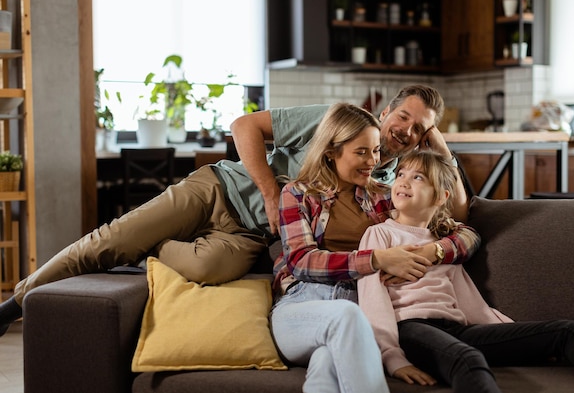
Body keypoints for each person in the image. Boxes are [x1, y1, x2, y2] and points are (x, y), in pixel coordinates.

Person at [0, 84, 461, 337]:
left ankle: (151, 248)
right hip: (222, 189)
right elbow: (244, 126)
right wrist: (266, 191)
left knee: (210, 266)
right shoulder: (334, 121)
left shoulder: (393, 178)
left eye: (418, 129)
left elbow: (457, 203)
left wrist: (435, 137)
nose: (406, 130)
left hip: (249, 236)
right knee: (106, 241)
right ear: (388, 109)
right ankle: (12, 305)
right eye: (403, 117)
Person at [357, 150, 574, 393]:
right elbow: (373, 301)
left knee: (567, 331)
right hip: (411, 329)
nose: (403, 181)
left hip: (457, 329)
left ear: (440, 196)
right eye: (401, 174)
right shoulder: (380, 235)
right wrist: (392, 358)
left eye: (418, 177)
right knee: (469, 359)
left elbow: (471, 303)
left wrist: (518, 337)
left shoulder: (445, 242)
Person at [270, 103, 480, 393]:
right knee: (346, 315)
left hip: (356, 314)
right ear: (331, 151)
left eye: (376, 150)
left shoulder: (381, 199)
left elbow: (465, 232)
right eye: (361, 152)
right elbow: (301, 261)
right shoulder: (297, 193)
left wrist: (436, 251)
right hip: (302, 308)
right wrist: (378, 259)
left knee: (325, 370)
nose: (373, 161)